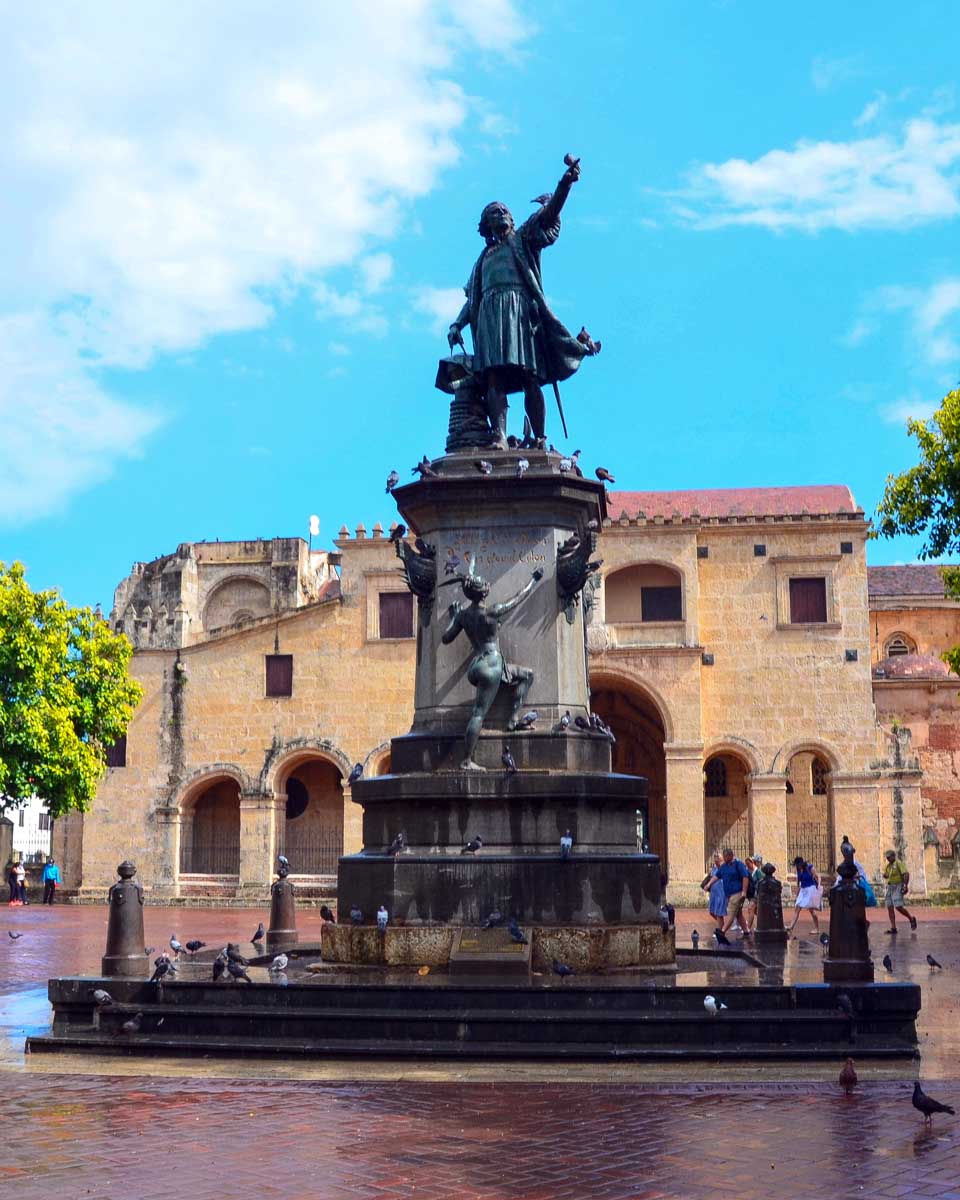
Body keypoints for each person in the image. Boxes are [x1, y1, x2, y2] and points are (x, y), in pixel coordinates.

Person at [447, 157, 597, 448]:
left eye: (504, 210)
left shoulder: (523, 240)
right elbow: (472, 299)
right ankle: (499, 436)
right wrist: (457, 324)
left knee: (530, 376)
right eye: (494, 212)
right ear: (486, 224)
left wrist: (564, 184)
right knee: (493, 379)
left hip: (519, 314)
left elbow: (549, 214)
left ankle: (540, 437)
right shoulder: (482, 261)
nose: (501, 213)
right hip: (490, 318)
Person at [717, 847, 752, 939]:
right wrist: (708, 884)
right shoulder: (724, 867)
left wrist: (744, 892)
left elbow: (745, 877)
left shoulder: (738, 864)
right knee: (738, 913)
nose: (723, 859)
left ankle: (722, 932)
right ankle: (746, 932)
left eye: (725, 857)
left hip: (738, 893)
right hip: (729, 894)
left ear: (730, 856)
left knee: (731, 912)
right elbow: (717, 876)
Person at [882, 849, 917, 933]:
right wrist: (885, 875)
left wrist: (905, 885)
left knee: (898, 906)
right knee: (889, 907)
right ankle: (893, 927)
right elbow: (887, 875)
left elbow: (906, 874)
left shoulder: (898, 863)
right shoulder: (888, 866)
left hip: (898, 886)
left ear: (893, 856)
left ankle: (911, 918)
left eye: (889, 857)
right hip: (890, 887)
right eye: (887, 858)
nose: (888, 859)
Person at [786, 856, 821, 936]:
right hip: (803, 890)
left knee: (811, 910)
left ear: (801, 863)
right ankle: (791, 927)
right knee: (797, 908)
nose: (797, 866)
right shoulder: (798, 871)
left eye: (798, 864)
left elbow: (818, 876)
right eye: (796, 865)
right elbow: (798, 884)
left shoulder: (810, 867)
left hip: (810, 889)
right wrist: (797, 895)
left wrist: (818, 886)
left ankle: (817, 928)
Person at [701, 853, 728, 938]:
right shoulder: (714, 868)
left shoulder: (723, 868)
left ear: (722, 859)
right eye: (715, 858)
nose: (716, 860)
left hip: (721, 893)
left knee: (719, 913)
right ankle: (722, 924)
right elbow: (712, 877)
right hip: (714, 894)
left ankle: (720, 930)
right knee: (712, 912)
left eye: (718, 859)